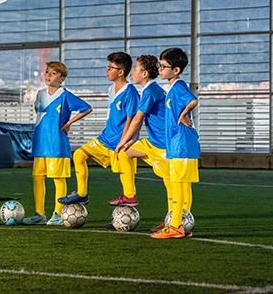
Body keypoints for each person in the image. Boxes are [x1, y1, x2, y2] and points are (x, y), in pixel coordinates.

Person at [58, 52, 139, 207]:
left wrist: (124, 142)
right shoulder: (111, 89)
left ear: (121, 72)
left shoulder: (131, 92)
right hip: (105, 139)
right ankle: (82, 194)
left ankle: (130, 197)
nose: (107, 70)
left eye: (110, 67)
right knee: (79, 155)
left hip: (120, 142)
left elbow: (133, 120)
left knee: (124, 175)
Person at [23, 61, 92, 226]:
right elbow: (38, 112)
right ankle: (39, 214)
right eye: (47, 72)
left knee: (58, 179)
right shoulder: (40, 94)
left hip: (56, 145)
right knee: (38, 178)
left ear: (62, 78)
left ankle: (58, 214)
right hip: (40, 144)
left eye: (53, 73)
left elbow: (86, 108)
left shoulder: (65, 95)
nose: (48, 75)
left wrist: (68, 124)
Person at [114, 55, 174, 232]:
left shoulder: (150, 91)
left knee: (171, 184)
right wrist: (130, 141)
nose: (132, 72)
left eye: (135, 69)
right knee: (125, 152)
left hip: (163, 146)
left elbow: (138, 118)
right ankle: (130, 195)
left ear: (145, 73)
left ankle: (172, 220)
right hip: (152, 143)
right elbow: (140, 120)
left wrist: (122, 141)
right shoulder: (148, 90)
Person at [151, 47, 200, 239]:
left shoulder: (178, 86)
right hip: (178, 143)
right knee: (183, 185)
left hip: (181, 144)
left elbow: (193, 100)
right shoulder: (171, 87)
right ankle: (184, 226)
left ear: (176, 70)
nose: (160, 70)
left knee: (179, 185)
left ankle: (176, 226)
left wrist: (183, 114)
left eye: (163, 66)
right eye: (159, 65)